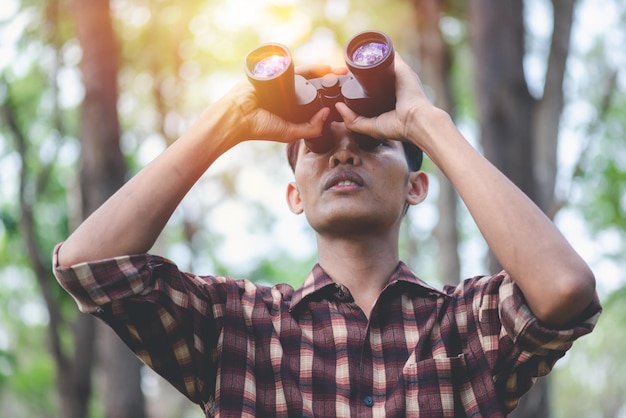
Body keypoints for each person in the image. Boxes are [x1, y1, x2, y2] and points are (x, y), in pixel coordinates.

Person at [53, 50, 600, 417]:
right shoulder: (237, 326)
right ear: (294, 195)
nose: (343, 150)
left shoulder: (466, 323)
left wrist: (423, 123)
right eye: (318, 146)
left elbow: (565, 289)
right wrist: (233, 119)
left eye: (370, 141)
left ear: (416, 186)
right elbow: (91, 264)